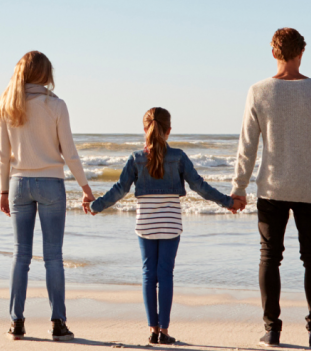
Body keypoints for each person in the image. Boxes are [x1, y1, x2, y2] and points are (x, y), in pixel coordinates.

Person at [230, 27, 311, 349]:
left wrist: (238, 187)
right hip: (310, 188)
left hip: (271, 187)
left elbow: (247, 146)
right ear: (302, 53)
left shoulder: (258, 90)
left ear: (273, 53)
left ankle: (272, 330)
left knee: (270, 257)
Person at [86, 107, 242, 345]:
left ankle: (152, 329)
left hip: (145, 223)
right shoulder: (179, 157)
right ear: (169, 131)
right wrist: (227, 202)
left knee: (149, 274)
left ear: (144, 129)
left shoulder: (136, 158)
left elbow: (120, 189)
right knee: (165, 274)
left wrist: (97, 206)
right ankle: (164, 331)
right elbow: (200, 186)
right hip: (170, 222)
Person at [0, 50, 94, 342]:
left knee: (20, 254)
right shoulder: (56, 105)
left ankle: (17, 323)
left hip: (19, 184)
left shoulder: (8, 105)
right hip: (51, 184)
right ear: (46, 74)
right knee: (53, 256)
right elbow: (69, 152)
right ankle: (58, 323)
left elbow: (3, 156)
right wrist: (85, 187)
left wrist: (2, 190)